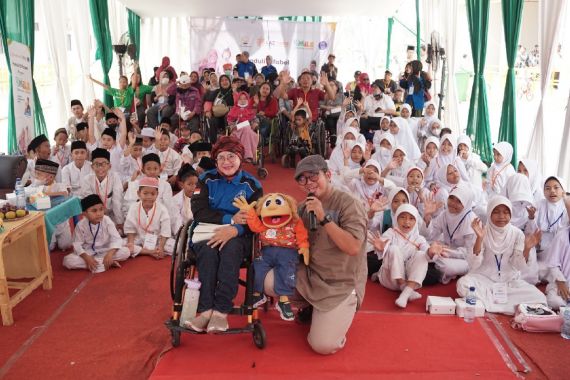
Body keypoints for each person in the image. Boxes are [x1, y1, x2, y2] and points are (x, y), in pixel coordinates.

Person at [186, 136, 263, 333]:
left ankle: (221, 310)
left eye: (231, 156)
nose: (226, 162)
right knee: (208, 251)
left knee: (231, 249)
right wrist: (230, 221)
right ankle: (205, 310)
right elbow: (199, 211)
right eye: (221, 158)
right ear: (215, 160)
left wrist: (235, 230)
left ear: (240, 158)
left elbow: (257, 219)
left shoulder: (252, 186)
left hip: (240, 236)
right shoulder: (205, 179)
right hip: (206, 230)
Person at [457, 196, 546, 315]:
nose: (501, 216)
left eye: (505, 212)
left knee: (538, 296)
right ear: (489, 213)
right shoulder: (482, 230)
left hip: (508, 281)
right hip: (484, 279)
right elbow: (474, 264)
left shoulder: (517, 233)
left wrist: (527, 248)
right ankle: (507, 304)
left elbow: (518, 266)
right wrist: (480, 238)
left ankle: (487, 302)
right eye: (496, 212)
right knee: (463, 285)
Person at [370, 204, 441, 308]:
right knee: (393, 249)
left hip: (410, 279)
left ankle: (405, 293)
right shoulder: (390, 233)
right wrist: (381, 248)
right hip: (391, 280)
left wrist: (431, 252)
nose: (407, 222)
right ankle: (404, 287)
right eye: (403, 217)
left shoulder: (419, 238)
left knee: (422, 255)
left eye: (411, 218)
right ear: (396, 218)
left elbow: (427, 253)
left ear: (416, 221)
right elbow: (382, 250)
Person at [424, 183, 476, 284]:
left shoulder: (471, 221)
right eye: (451, 198)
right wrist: (427, 216)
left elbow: (469, 253)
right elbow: (431, 235)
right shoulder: (445, 214)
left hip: (465, 259)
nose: (453, 203)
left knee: (447, 267)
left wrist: (447, 251)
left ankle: (430, 266)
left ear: (466, 204)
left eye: (459, 201)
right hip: (445, 252)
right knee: (423, 246)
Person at [63, 194, 130, 272]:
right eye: (94, 211)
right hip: (89, 252)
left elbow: (117, 239)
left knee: (126, 252)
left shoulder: (107, 220)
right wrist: (87, 258)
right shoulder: (81, 225)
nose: (99, 213)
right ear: (84, 213)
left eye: (101, 209)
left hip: (105, 250)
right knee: (68, 261)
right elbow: (77, 245)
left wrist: (110, 254)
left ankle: (98, 263)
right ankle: (106, 263)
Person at [124, 177, 172, 258]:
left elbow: (165, 230)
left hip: (157, 240)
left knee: (176, 246)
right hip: (138, 239)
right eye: (145, 193)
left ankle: (149, 251)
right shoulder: (133, 207)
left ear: (157, 194)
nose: (149, 197)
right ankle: (150, 252)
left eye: (153, 194)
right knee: (123, 246)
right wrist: (131, 244)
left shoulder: (162, 209)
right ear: (139, 193)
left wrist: (161, 247)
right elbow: (130, 229)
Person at [79, 148, 124, 228]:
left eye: (103, 164)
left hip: (111, 215)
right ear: (92, 167)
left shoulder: (115, 177)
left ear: (109, 166)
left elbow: (117, 201)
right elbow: (90, 203)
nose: (100, 168)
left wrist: (119, 222)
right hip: (93, 215)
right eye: (96, 164)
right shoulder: (87, 180)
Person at [536, 176, 569, 281]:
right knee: (535, 271)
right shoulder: (539, 204)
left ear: (563, 190)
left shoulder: (567, 206)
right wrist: (531, 218)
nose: (552, 191)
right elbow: (532, 229)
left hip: (559, 252)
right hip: (540, 251)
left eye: (556, 187)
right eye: (547, 188)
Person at [544, 225, 570, 310]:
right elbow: (553, 264)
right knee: (555, 301)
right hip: (561, 282)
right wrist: (561, 282)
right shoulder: (561, 236)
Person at [172, 164, 199, 233]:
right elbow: (176, 222)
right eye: (190, 184)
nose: (194, 187)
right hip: (182, 234)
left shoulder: (202, 197)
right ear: (181, 184)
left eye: (196, 184)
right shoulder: (175, 200)